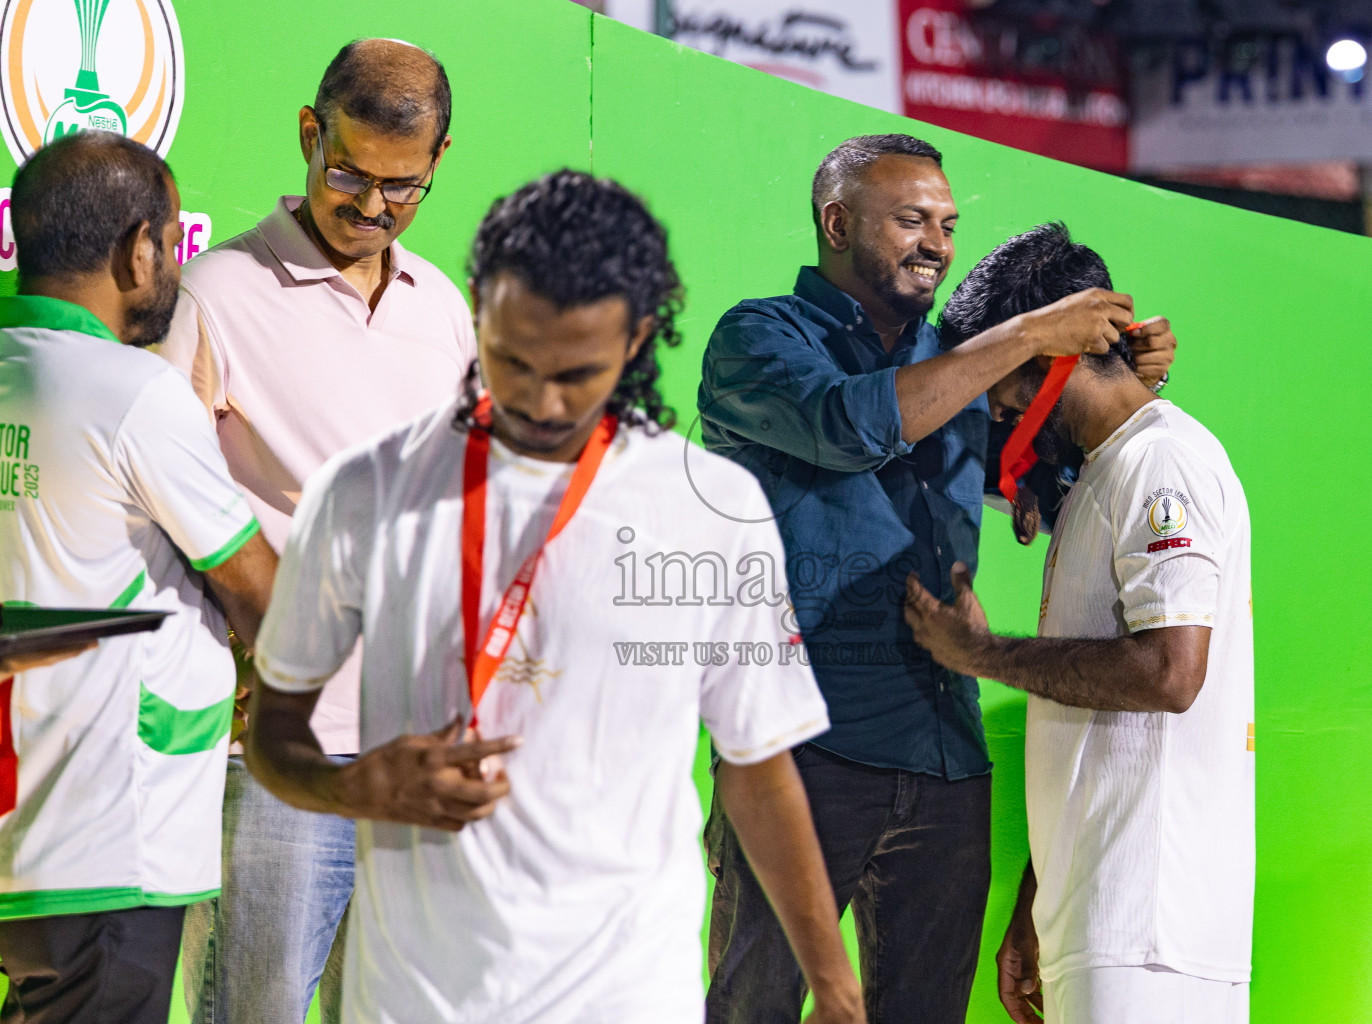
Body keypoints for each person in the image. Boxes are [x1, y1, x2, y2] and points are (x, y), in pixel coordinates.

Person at [243, 170, 865, 1024]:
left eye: (577, 373)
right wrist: (358, 789)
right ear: (478, 310)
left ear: (640, 337)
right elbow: (274, 736)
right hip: (415, 998)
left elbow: (758, 764)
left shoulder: (710, 509)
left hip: (625, 989)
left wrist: (833, 986)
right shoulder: (365, 490)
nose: (539, 400)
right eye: (512, 361)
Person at [697, 133, 1177, 1023]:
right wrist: (1029, 334)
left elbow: (1042, 467)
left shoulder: (969, 361)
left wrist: (1108, 373)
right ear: (837, 223)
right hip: (800, 753)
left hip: (948, 763)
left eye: (949, 224)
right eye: (911, 220)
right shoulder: (758, 338)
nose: (937, 243)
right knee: (751, 1008)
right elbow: (853, 428)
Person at [156, 39, 475, 1023]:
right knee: (251, 1011)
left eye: (402, 186)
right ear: (309, 133)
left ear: (440, 160)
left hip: (420, 758)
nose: (372, 206)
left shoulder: (446, 310)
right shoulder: (216, 293)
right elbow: (158, 507)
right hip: (285, 762)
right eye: (348, 174)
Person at [905, 223, 1254, 1024]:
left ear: (1049, 355)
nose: (993, 406)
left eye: (1000, 379)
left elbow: (1171, 673)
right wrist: (1037, 900)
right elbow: (1091, 731)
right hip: (1100, 925)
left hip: (1149, 930)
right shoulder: (1103, 474)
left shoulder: (1163, 461)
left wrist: (984, 654)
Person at [0, 131, 276, 1024]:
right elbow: (262, 592)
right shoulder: (137, 394)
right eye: (170, 244)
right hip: (106, 844)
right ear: (138, 248)